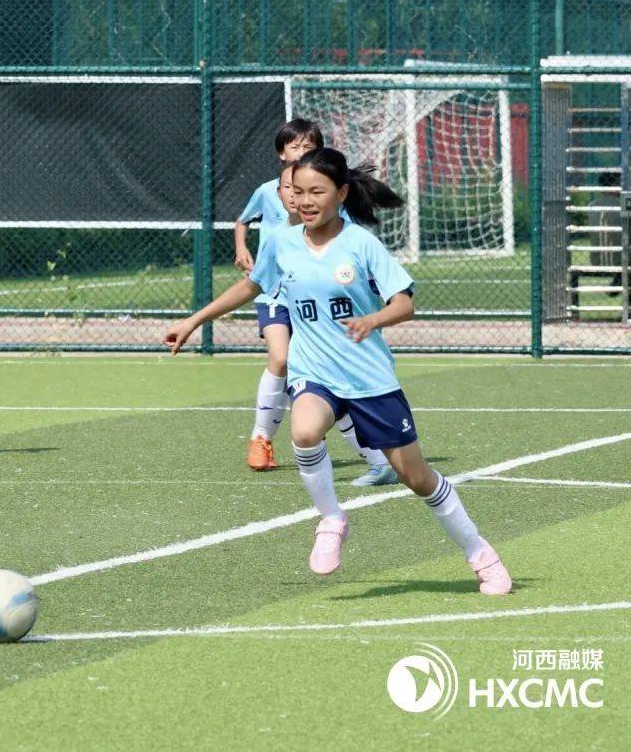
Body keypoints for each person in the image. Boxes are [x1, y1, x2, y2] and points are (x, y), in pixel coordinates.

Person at [166, 149, 511, 595]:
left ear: (342, 193)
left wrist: (373, 320)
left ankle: (481, 555)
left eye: (317, 191)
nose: (305, 201)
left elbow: (404, 303)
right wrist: (194, 321)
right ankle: (331, 519)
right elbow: (252, 285)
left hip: (370, 380)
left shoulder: (361, 245)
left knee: (418, 478)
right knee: (305, 431)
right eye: (297, 192)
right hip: (314, 372)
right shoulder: (282, 242)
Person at [235, 119, 397, 487]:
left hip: (316, 299)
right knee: (280, 358)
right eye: (295, 146)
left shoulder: (329, 206)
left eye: (309, 147)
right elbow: (244, 226)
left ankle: (376, 459)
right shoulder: (268, 194)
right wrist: (241, 248)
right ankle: (261, 438)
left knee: (327, 376)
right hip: (276, 292)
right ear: (281, 154)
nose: (298, 198)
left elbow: (345, 246)